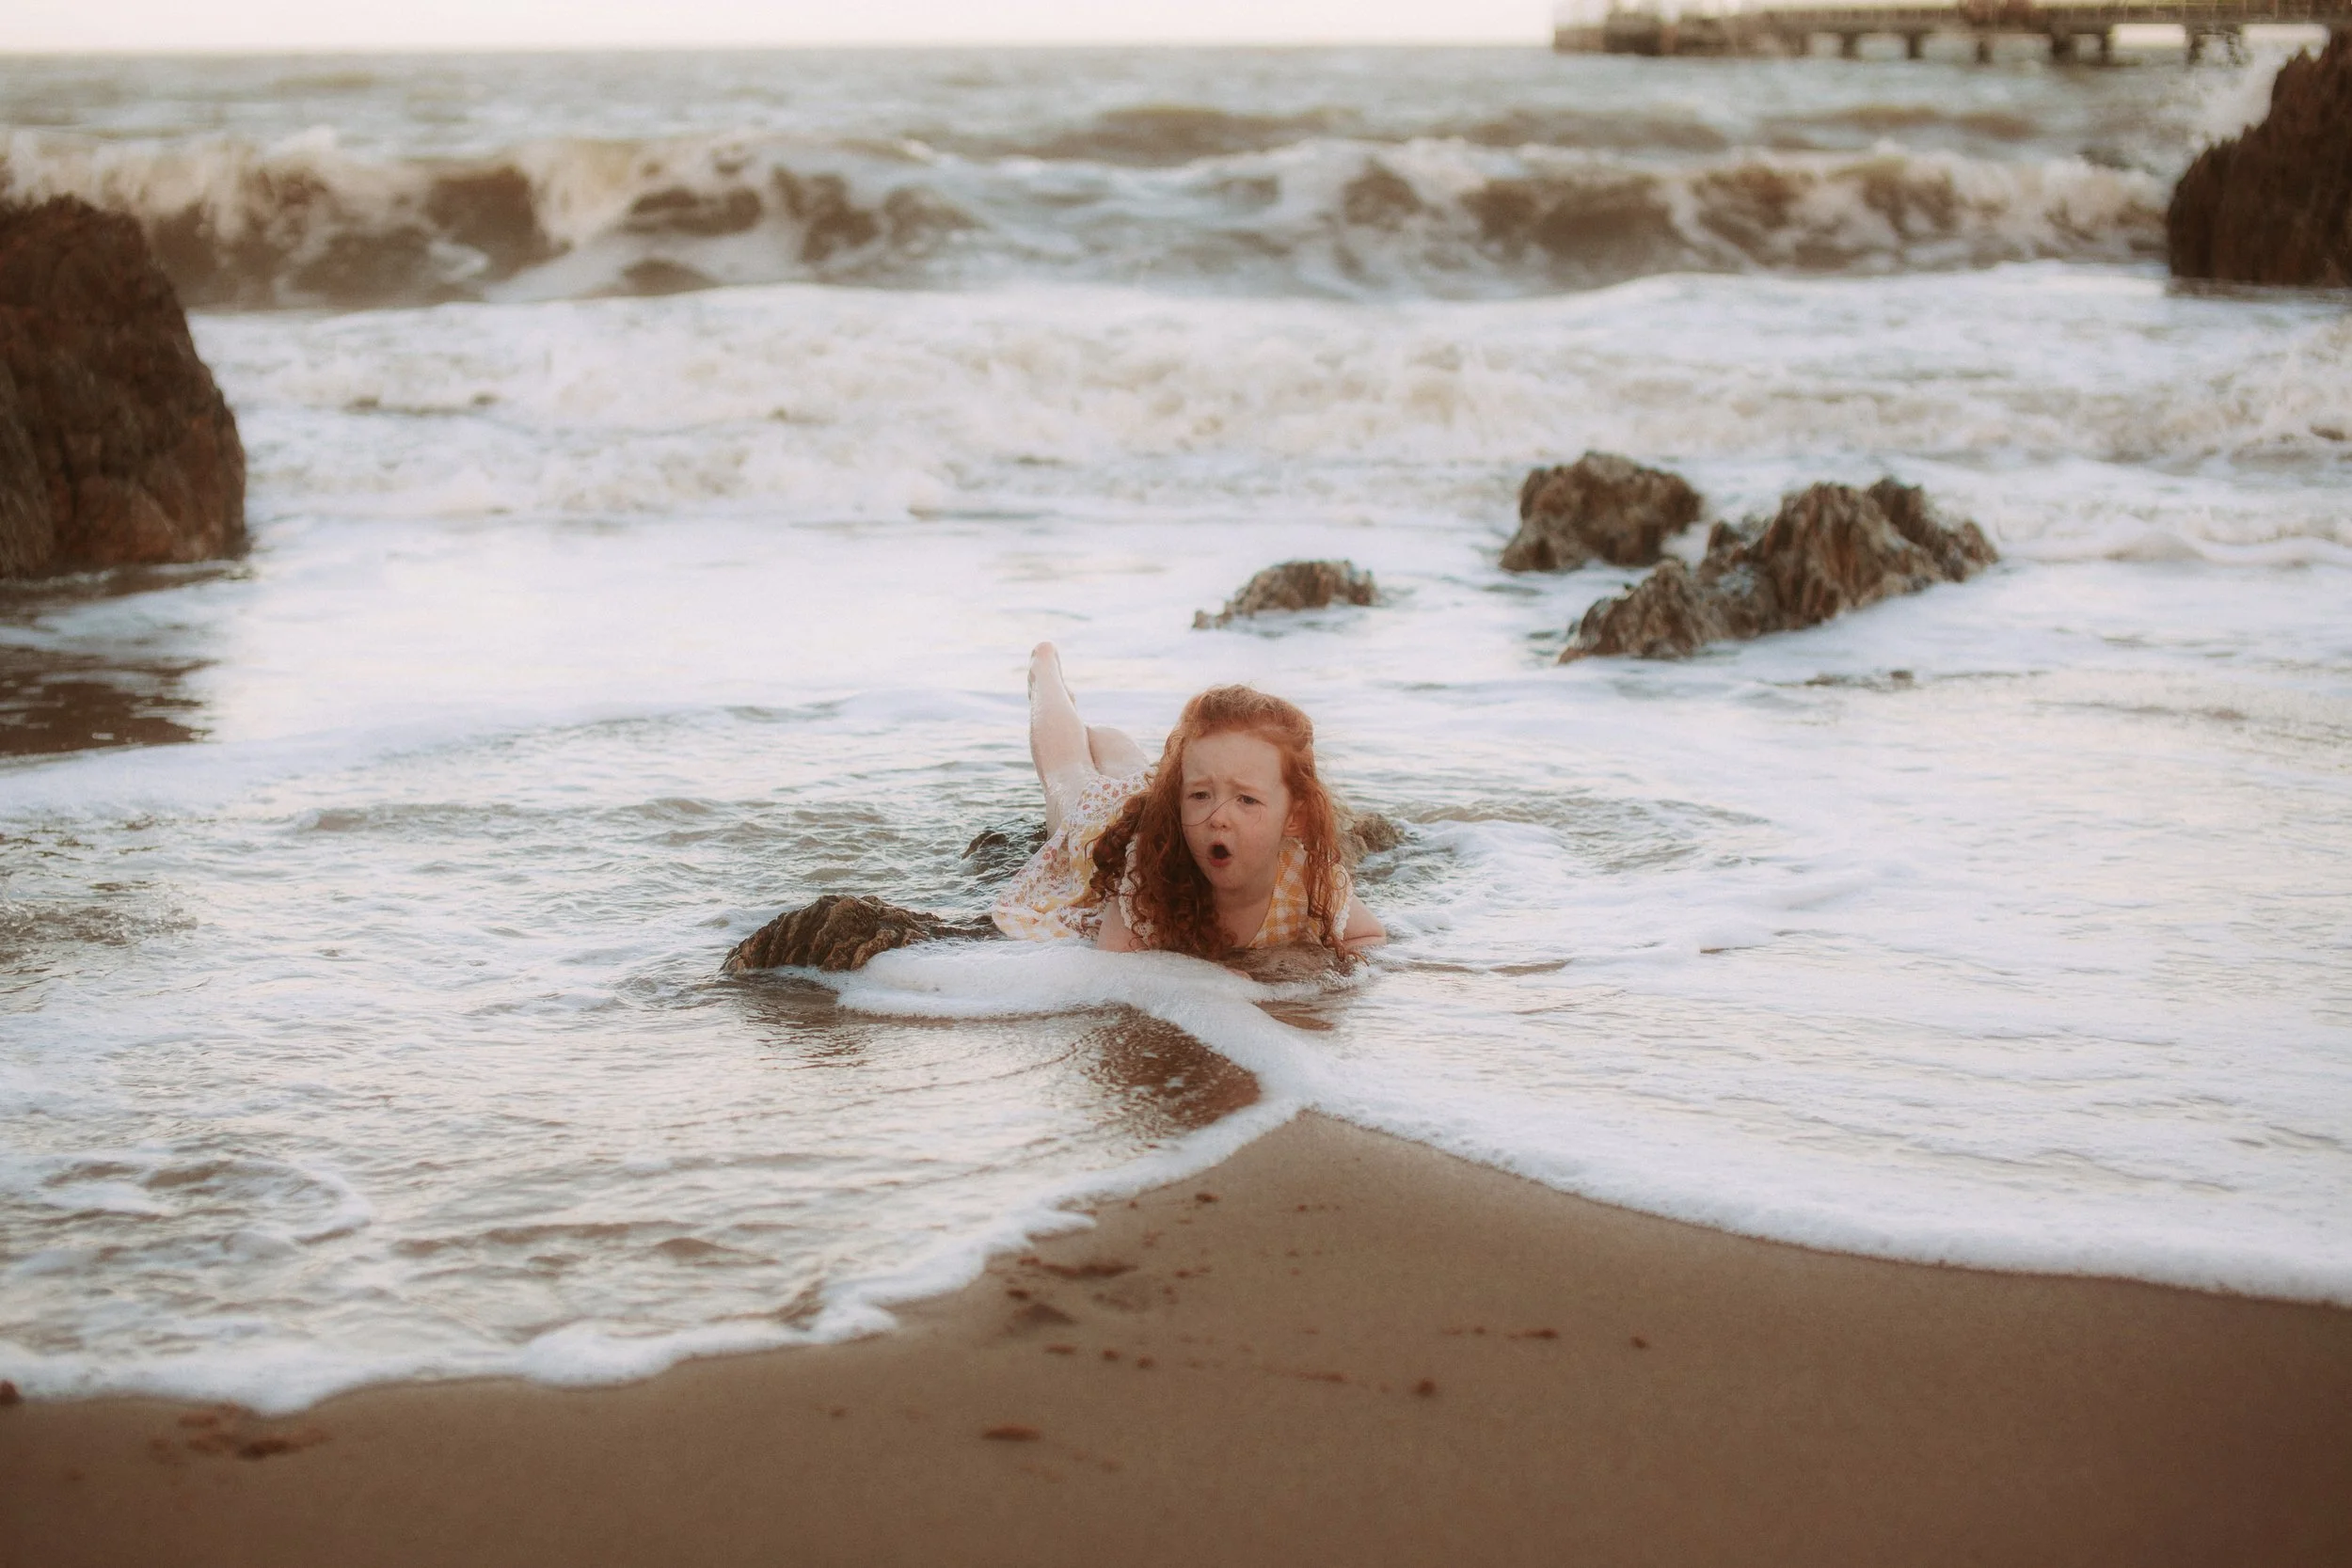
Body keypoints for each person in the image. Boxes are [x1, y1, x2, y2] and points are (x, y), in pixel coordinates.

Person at [993, 642, 1385, 960]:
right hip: (1102, 826)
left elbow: (1366, 936)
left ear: (1294, 818)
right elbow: (1114, 960)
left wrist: (1312, 970)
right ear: (1177, 796)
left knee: (1126, 765)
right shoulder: (1153, 871)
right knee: (1068, 778)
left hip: (1148, 796)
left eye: (1247, 800)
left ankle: (1111, 742)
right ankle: (1045, 673)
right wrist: (1204, 984)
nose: (1219, 818)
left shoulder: (1307, 879)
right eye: (1199, 796)